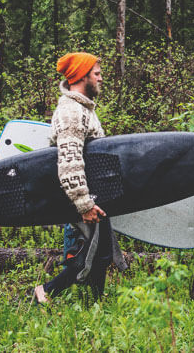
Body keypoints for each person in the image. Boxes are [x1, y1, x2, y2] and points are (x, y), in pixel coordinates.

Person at [34, 52, 125, 304]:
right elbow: (69, 160)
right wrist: (82, 203)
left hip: (94, 196)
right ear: (82, 76)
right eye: (96, 74)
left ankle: (94, 307)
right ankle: (46, 291)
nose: (101, 78)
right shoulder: (71, 112)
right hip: (83, 200)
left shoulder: (83, 109)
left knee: (102, 254)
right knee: (86, 255)